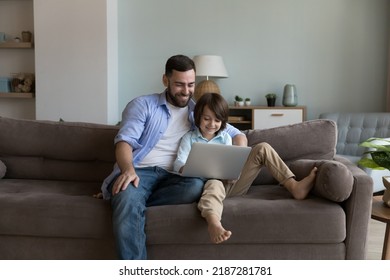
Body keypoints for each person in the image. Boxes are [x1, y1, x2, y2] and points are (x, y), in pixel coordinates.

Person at [100, 55, 247, 260]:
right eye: (179, 84)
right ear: (165, 80)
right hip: (141, 172)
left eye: (190, 84)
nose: (186, 91)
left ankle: (137, 201)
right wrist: (127, 169)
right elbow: (124, 141)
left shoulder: (199, 111)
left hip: (177, 177)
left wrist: (236, 160)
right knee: (126, 197)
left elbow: (237, 135)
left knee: (196, 186)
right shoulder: (143, 105)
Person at [174, 93, 317, 244]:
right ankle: (214, 223)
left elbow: (230, 161)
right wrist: (187, 168)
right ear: (198, 117)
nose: (212, 124)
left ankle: (294, 186)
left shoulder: (225, 138)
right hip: (207, 185)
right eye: (206, 118)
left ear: (223, 121)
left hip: (232, 184)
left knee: (263, 148)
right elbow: (178, 163)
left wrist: (235, 170)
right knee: (214, 183)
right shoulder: (189, 138)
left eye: (217, 120)